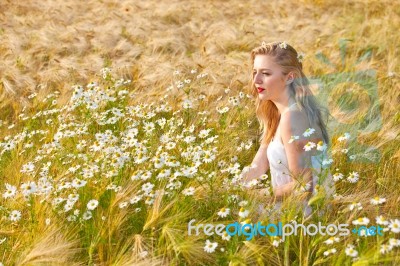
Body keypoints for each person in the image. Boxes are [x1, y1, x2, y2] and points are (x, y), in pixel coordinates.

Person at [239, 41, 335, 217]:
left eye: (265, 73)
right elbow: (257, 167)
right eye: (254, 72)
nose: (256, 80)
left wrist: (254, 195)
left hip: (301, 215)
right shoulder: (277, 114)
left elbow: (303, 186)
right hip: (285, 207)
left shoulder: (294, 117)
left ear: (290, 77)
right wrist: (231, 190)